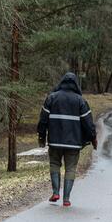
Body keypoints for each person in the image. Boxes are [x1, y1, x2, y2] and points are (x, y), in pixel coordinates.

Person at [36, 72, 97, 207]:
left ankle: (56, 192)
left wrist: (41, 135)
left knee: (54, 164)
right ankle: (66, 199)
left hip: (55, 141)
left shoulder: (51, 98)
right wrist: (93, 138)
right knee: (70, 168)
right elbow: (88, 123)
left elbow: (43, 120)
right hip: (73, 143)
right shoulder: (80, 101)